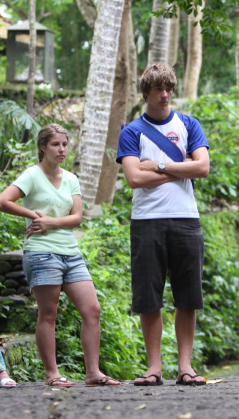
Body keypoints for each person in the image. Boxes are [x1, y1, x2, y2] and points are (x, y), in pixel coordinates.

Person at [0, 124, 120, 387]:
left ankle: (93, 373)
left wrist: (52, 222)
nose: (62, 149)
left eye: (65, 144)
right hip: (42, 254)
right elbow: (3, 200)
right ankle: (52, 374)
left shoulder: (71, 178)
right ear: (43, 147)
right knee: (48, 313)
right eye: (55, 144)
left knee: (92, 310)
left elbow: (76, 218)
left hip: (71, 253)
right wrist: (33, 215)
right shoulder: (32, 175)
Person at [116, 63, 210, 386]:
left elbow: (202, 168)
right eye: (158, 89)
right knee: (148, 296)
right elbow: (133, 178)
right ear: (146, 93)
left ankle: (186, 367)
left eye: (169, 88)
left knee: (188, 296)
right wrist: (179, 167)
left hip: (187, 219)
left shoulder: (188, 124)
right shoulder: (131, 132)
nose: (165, 94)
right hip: (146, 222)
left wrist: (157, 165)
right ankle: (153, 368)